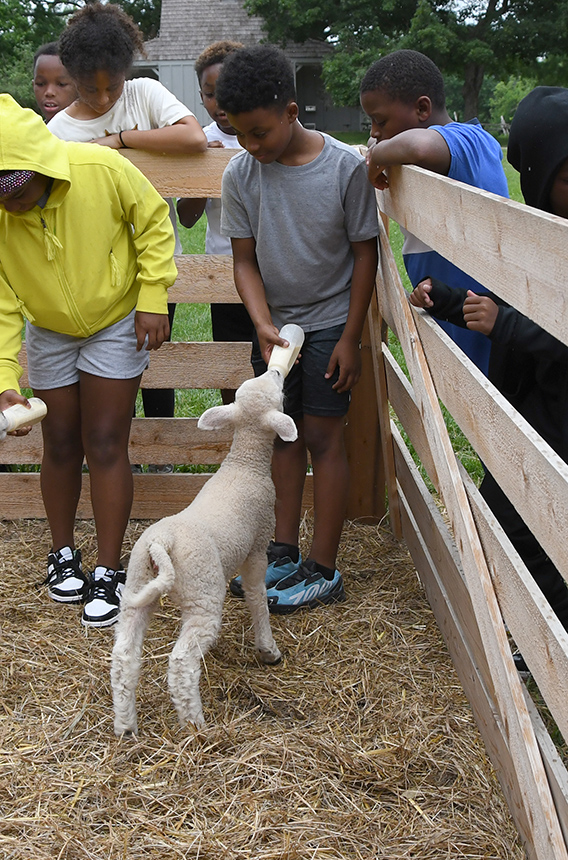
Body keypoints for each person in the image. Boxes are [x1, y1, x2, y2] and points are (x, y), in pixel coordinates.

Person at [0, 94, 177, 627]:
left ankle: (107, 569)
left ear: (41, 165)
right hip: (49, 330)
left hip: (115, 320)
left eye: (17, 193)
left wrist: (152, 298)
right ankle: (62, 554)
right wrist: (3, 378)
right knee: (59, 441)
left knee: (104, 441)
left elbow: (152, 222)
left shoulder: (100, 167)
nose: (9, 207)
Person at [216, 45, 379, 613]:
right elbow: (243, 260)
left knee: (324, 439)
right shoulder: (241, 173)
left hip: (332, 323)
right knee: (280, 436)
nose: (250, 146)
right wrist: (261, 323)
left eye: (259, 132)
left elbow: (364, 255)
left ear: (290, 111)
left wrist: (349, 338)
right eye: (239, 134)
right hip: (276, 333)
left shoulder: (344, 167)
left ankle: (324, 566)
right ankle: (283, 548)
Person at [408, 86, 568, 658]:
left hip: (558, 416)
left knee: (544, 522)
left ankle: (544, 646)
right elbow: (511, 303)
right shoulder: (531, 235)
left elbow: (526, 325)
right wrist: (451, 301)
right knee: (505, 515)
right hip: (535, 407)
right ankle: (526, 633)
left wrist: (504, 328)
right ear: (537, 171)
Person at [48, 2, 207, 449]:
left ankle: (155, 451)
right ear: (71, 76)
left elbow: (193, 136)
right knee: (104, 378)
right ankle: (113, 451)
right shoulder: (59, 130)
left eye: (111, 87)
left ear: (126, 72)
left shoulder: (144, 95)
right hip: (98, 277)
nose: (102, 99)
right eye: (88, 89)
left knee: (147, 358)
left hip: (154, 264)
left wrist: (119, 140)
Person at [360, 49, 508, 375]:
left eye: (380, 121)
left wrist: (377, 154)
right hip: (452, 311)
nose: (374, 133)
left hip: (484, 318)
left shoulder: (471, 140)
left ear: (423, 108)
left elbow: (419, 146)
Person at [176, 40, 252, 405]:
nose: (219, 103)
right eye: (209, 94)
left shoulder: (269, 131)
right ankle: (237, 426)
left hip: (274, 267)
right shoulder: (200, 141)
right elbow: (187, 219)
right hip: (222, 268)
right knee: (232, 357)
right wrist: (204, 174)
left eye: (226, 91)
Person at [32, 42, 75, 123]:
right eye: (40, 84)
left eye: (61, 84)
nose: (49, 92)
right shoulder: (30, 133)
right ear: (33, 85)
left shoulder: (96, 131)